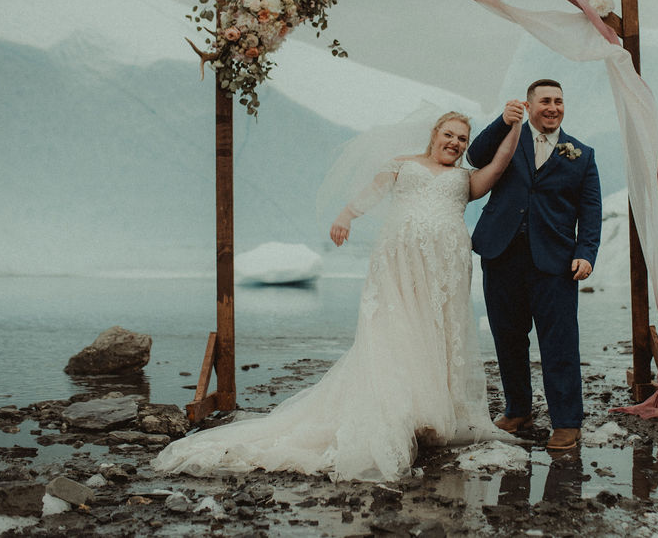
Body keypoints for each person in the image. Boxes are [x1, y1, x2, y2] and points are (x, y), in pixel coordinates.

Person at [153, 111, 522, 482]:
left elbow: (502, 160)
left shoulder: (466, 179)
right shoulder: (402, 165)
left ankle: (432, 413)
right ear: (435, 134)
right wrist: (346, 216)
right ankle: (401, 410)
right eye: (449, 134)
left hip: (445, 266)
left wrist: (515, 125)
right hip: (399, 260)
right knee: (397, 327)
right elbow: (371, 194)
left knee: (437, 329)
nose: (454, 143)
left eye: (462, 138)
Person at [467, 79, 602, 451]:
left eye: (559, 101)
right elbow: (475, 158)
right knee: (508, 337)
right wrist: (501, 122)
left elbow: (591, 212)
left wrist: (585, 254)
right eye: (545, 101)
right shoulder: (510, 136)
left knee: (559, 342)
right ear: (529, 106)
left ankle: (566, 422)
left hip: (555, 262)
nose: (553, 107)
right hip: (501, 253)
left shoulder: (582, 154)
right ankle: (518, 410)